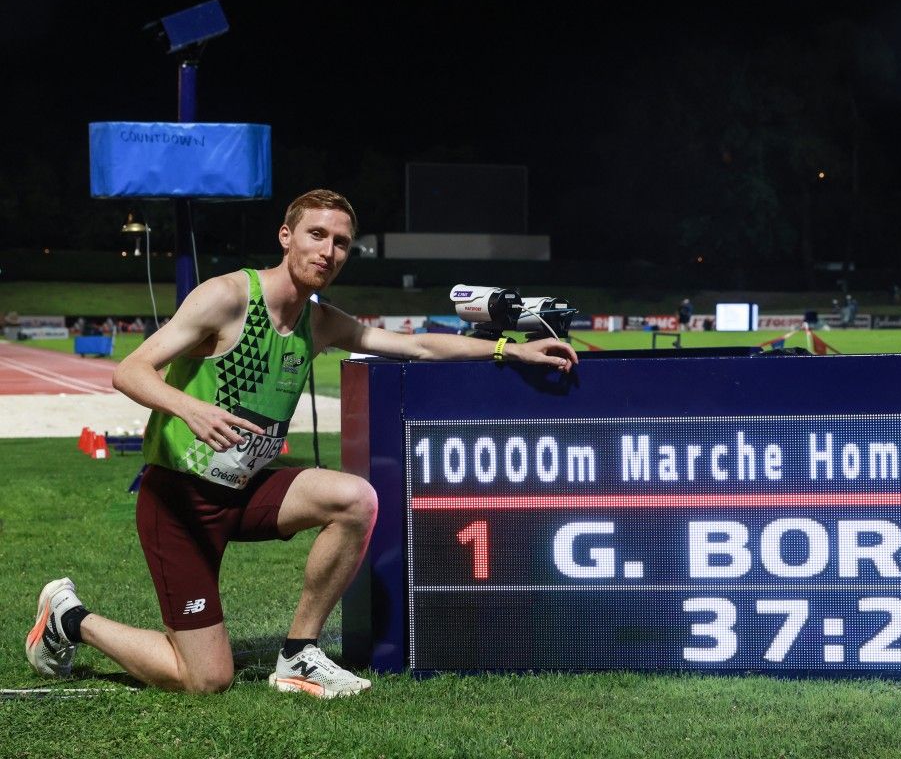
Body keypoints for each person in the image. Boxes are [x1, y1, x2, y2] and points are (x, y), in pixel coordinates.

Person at [25, 189, 577, 698]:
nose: (329, 250)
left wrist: (510, 350)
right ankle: (71, 618)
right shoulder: (226, 298)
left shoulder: (319, 323)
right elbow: (131, 371)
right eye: (317, 234)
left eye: (341, 242)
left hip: (243, 490)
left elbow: (418, 347)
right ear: (286, 236)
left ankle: (297, 654)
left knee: (354, 499)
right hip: (180, 502)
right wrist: (190, 408)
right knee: (206, 680)